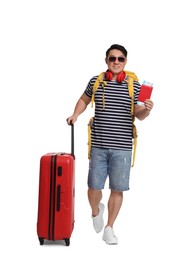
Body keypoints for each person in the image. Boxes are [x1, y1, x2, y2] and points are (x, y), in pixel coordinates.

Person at [66, 44, 154, 245]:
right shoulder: (96, 82)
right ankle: (96, 211)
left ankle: (109, 228)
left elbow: (139, 115)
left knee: (117, 188)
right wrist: (75, 114)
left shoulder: (134, 85)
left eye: (120, 59)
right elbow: (84, 99)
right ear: (106, 60)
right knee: (93, 187)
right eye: (112, 58)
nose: (116, 62)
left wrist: (147, 109)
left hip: (122, 148)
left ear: (125, 62)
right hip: (98, 145)